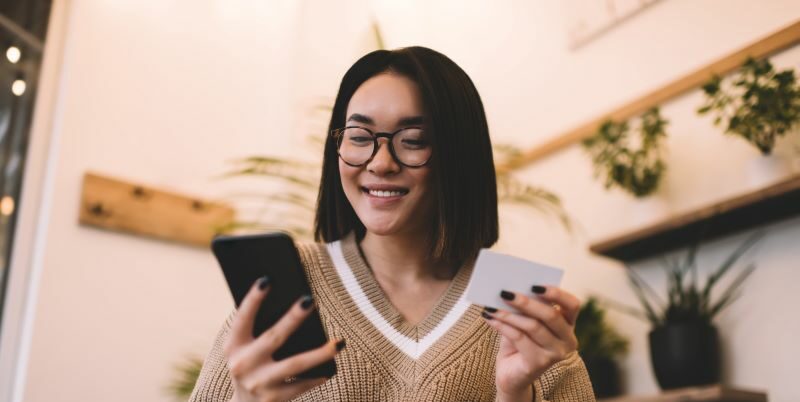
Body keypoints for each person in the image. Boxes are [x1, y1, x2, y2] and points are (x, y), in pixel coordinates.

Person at [189, 46, 595, 402]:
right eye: (360, 136)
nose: (380, 163)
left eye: (413, 140)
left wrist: (513, 394)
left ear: (458, 155)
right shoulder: (290, 282)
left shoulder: (516, 303)